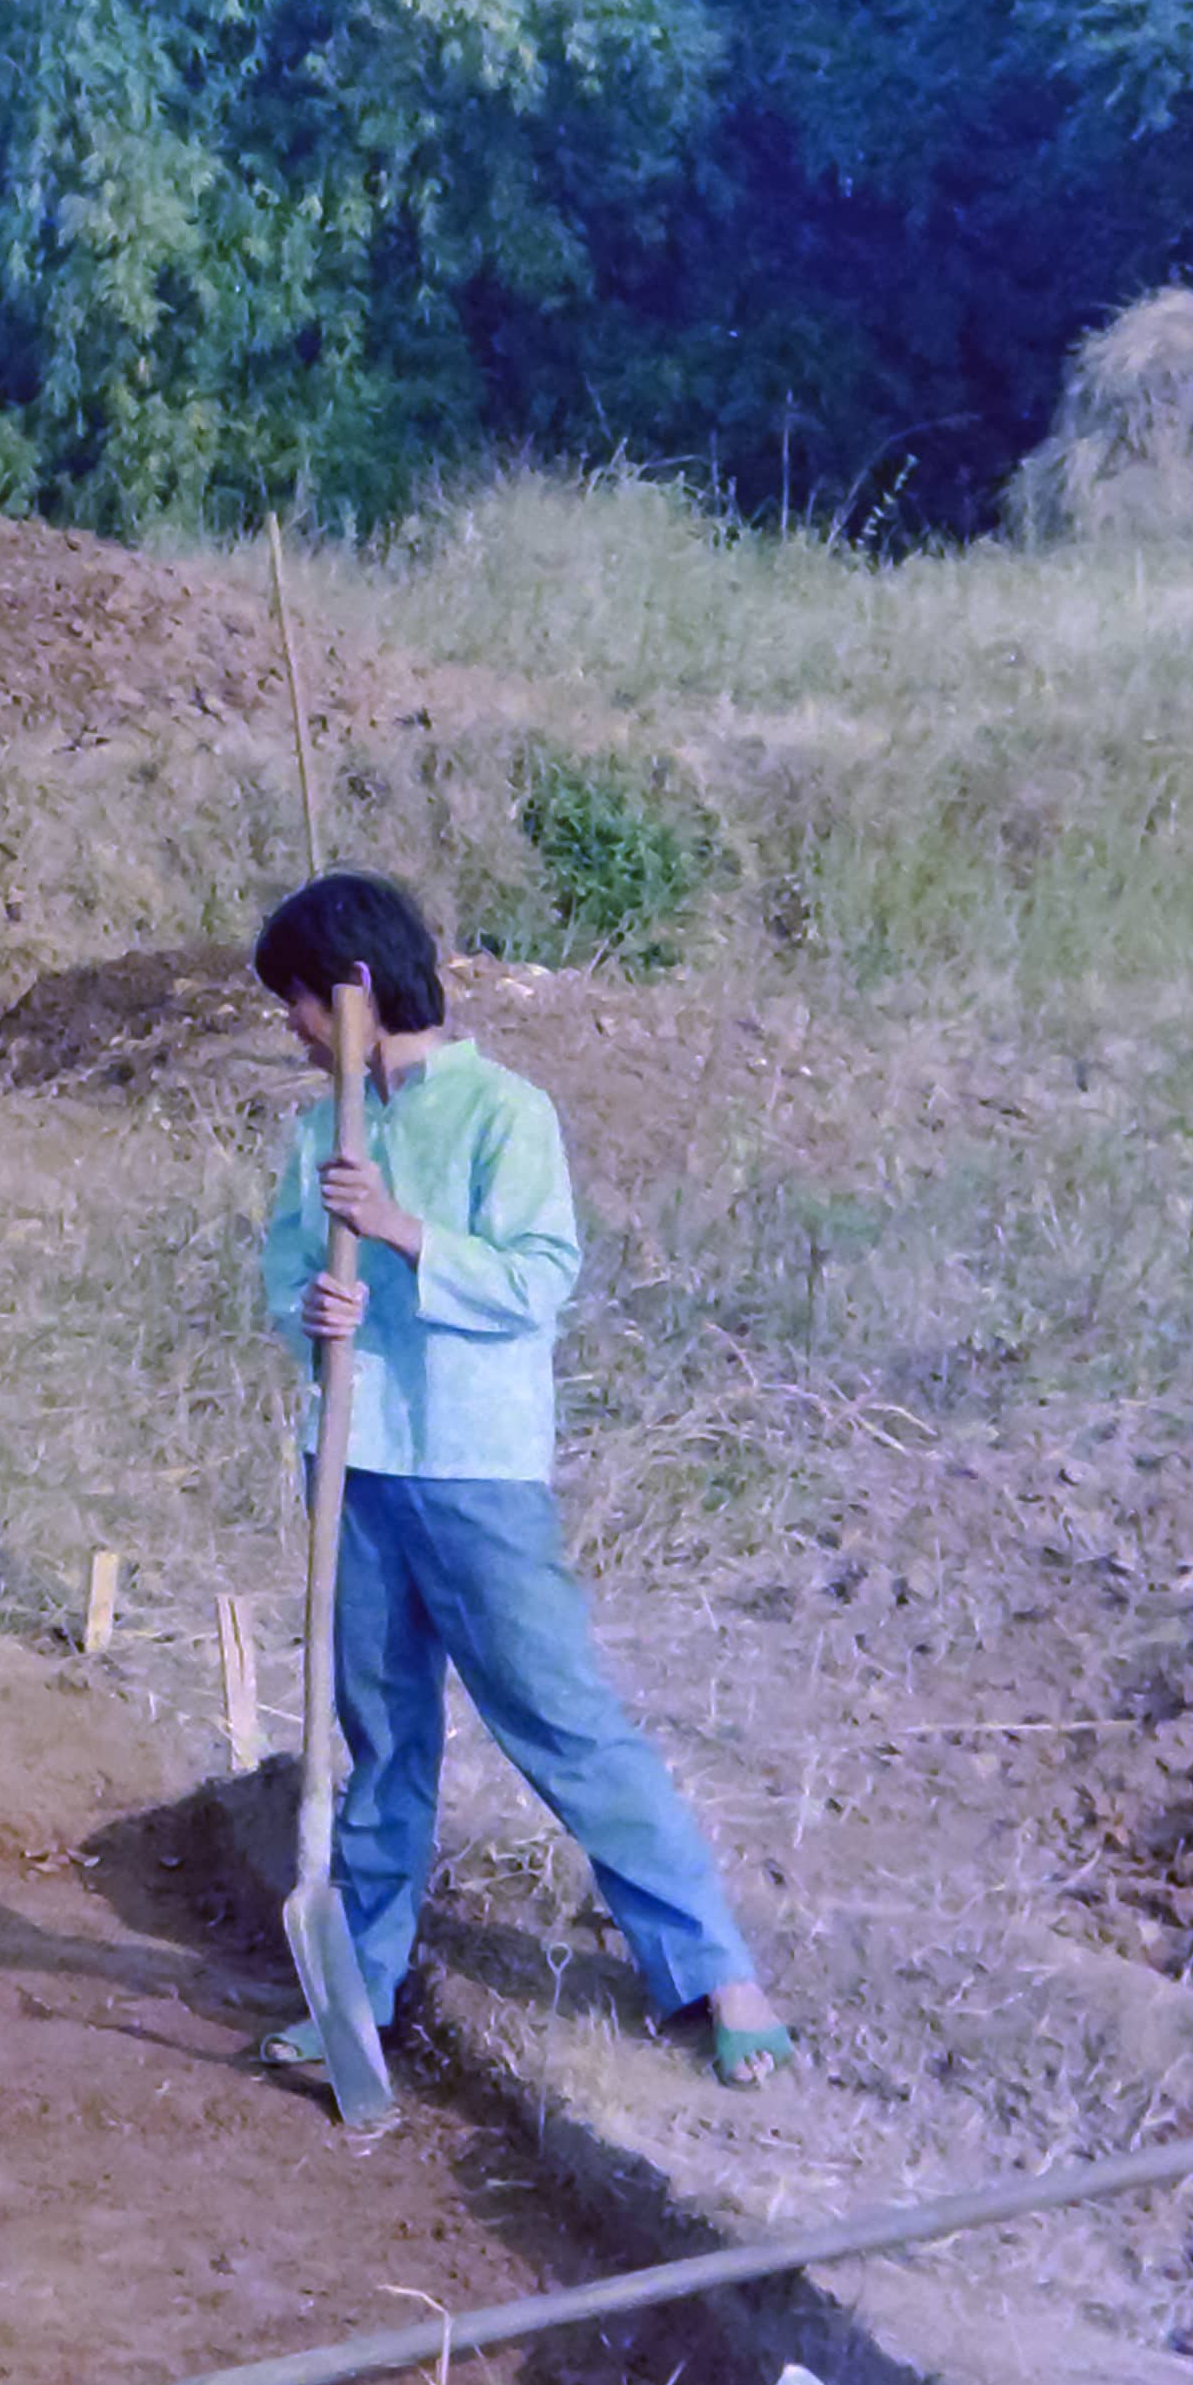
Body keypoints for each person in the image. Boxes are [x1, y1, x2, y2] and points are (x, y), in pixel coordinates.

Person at [248, 873, 795, 2090]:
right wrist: (314, 1309)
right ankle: (359, 1994)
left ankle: (714, 1971)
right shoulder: (313, 1132)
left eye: (298, 999)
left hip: (477, 1475)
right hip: (353, 1465)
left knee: (565, 1724)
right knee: (380, 1745)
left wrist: (400, 1234)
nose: (289, 1026)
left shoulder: (505, 1113)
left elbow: (540, 1279)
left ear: (355, 990)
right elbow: (288, 1272)